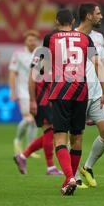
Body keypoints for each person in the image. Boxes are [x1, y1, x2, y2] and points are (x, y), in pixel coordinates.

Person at [42, 9, 104, 196]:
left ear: (56, 21)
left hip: (60, 92)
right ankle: (69, 179)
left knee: (60, 137)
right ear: (73, 21)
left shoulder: (50, 38)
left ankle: (70, 177)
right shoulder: (85, 39)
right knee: (77, 138)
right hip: (81, 92)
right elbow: (97, 64)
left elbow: (43, 67)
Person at [73, 3, 104, 189]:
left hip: (97, 92)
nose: (101, 16)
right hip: (77, 93)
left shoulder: (99, 37)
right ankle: (74, 176)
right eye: (98, 13)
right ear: (89, 16)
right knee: (76, 136)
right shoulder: (71, 36)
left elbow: (101, 64)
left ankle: (87, 167)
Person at [13, 45, 63, 176]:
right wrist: (32, 100)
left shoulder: (57, 60)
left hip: (51, 102)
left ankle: (23, 157)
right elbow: (32, 80)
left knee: (50, 133)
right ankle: (50, 166)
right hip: (42, 101)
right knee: (49, 131)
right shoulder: (43, 58)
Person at [9, 30, 40, 157]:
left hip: (37, 92)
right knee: (28, 118)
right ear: (25, 41)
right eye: (29, 40)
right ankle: (17, 140)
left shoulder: (40, 54)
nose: (32, 42)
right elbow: (12, 73)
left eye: (34, 40)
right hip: (23, 91)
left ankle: (30, 148)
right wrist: (12, 91)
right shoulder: (18, 54)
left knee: (34, 121)